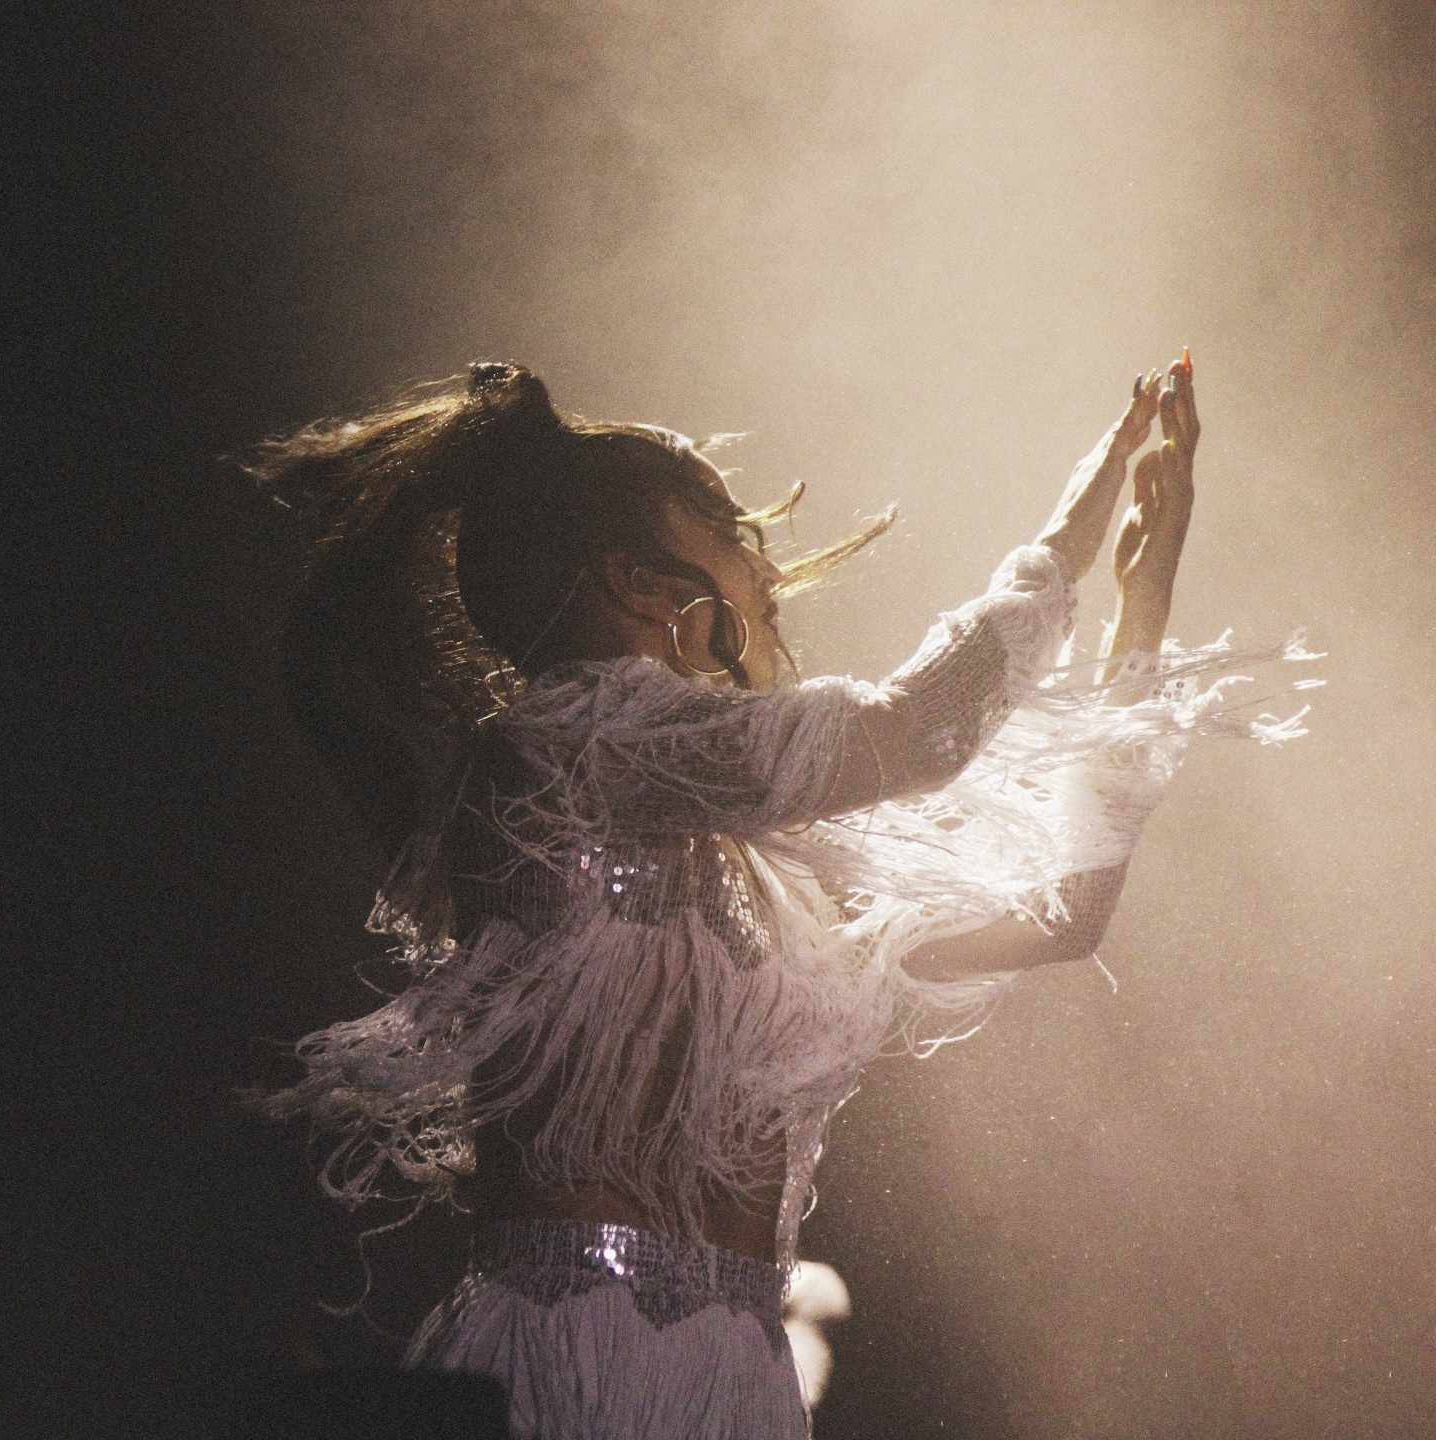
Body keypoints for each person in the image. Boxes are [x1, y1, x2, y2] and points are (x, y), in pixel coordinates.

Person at [249, 355, 1310, 1438]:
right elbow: (916, 730)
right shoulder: (565, 747)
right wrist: (1074, 533)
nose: (765, 576)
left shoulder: (780, 872)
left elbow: (1061, 916)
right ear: (642, 586)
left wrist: (1144, 605)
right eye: (735, 540)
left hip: (736, 1380)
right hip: (564, 1357)